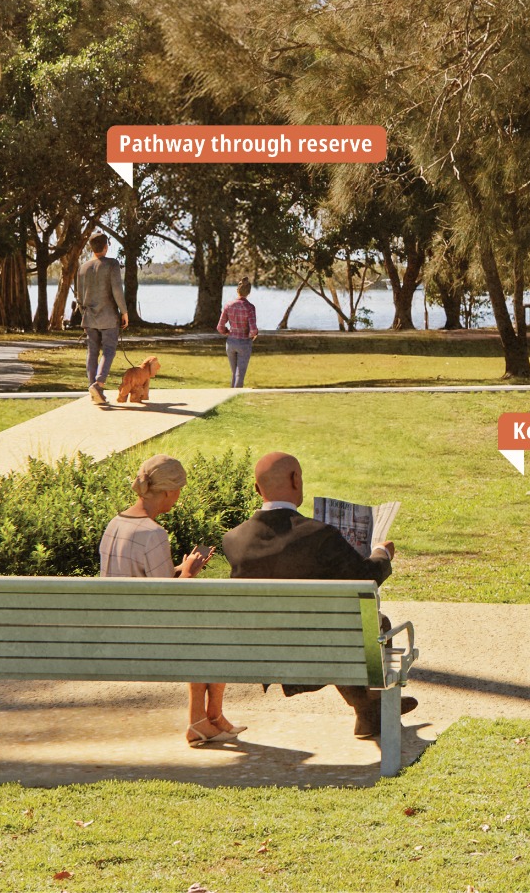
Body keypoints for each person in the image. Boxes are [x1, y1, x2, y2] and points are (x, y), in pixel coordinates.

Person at [220, 451, 417, 740]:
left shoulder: (233, 539)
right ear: (295, 480)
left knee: (340, 627)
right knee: (373, 624)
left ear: (256, 488)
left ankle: (369, 711)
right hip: (318, 652)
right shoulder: (318, 534)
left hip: (262, 654)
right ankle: (371, 710)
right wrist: (382, 553)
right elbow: (366, 578)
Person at [98, 455, 234, 745]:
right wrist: (186, 574)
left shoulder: (115, 524)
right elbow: (169, 600)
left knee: (207, 631)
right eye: (179, 491)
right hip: (143, 636)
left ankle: (206, 721)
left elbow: (141, 581)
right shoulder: (154, 534)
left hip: (114, 625)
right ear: (170, 491)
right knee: (218, 632)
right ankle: (204, 720)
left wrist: (182, 570)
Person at [77, 232, 129, 405]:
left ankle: (93, 390)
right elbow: (117, 290)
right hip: (108, 317)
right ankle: (99, 384)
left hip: (89, 317)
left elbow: (79, 296)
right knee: (109, 350)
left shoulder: (83, 267)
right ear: (106, 246)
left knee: (92, 352)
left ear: (91, 247)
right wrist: (124, 312)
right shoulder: (112, 264)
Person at [217, 279, 259, 388]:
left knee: (234, 374)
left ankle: (231, 397)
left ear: (237, 290)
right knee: (239, 375)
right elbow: (253, 330)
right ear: (249, 292)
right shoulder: (250, 307)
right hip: (244, 343)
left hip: (231, 342)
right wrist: (252, 336)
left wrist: (227, 332)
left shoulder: (228, 305)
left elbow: (220, 327)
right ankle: (236, 397)